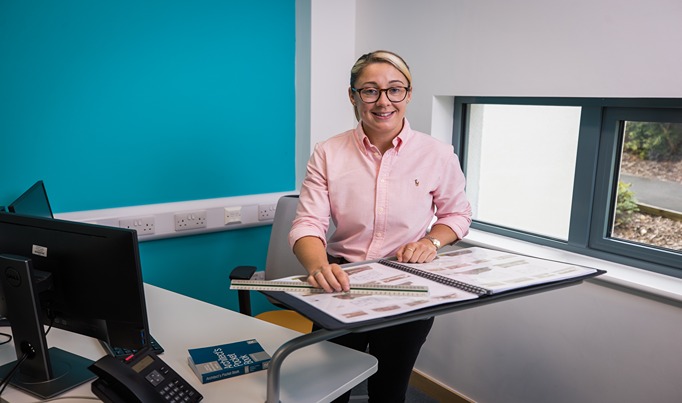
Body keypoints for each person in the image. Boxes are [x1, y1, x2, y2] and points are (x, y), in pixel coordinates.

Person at [288, 50, 472, 402]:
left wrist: (431, 243)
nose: (383, 101)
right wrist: (319, 267)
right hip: (340, 283)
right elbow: (307, 223)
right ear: (353, 96)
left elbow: (457, 215)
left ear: (409, 93)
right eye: (370, 90)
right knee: (326, 390)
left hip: (407, 284)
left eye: (395, 89)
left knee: (389, 392)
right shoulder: (328, 152)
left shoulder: (437, 153)